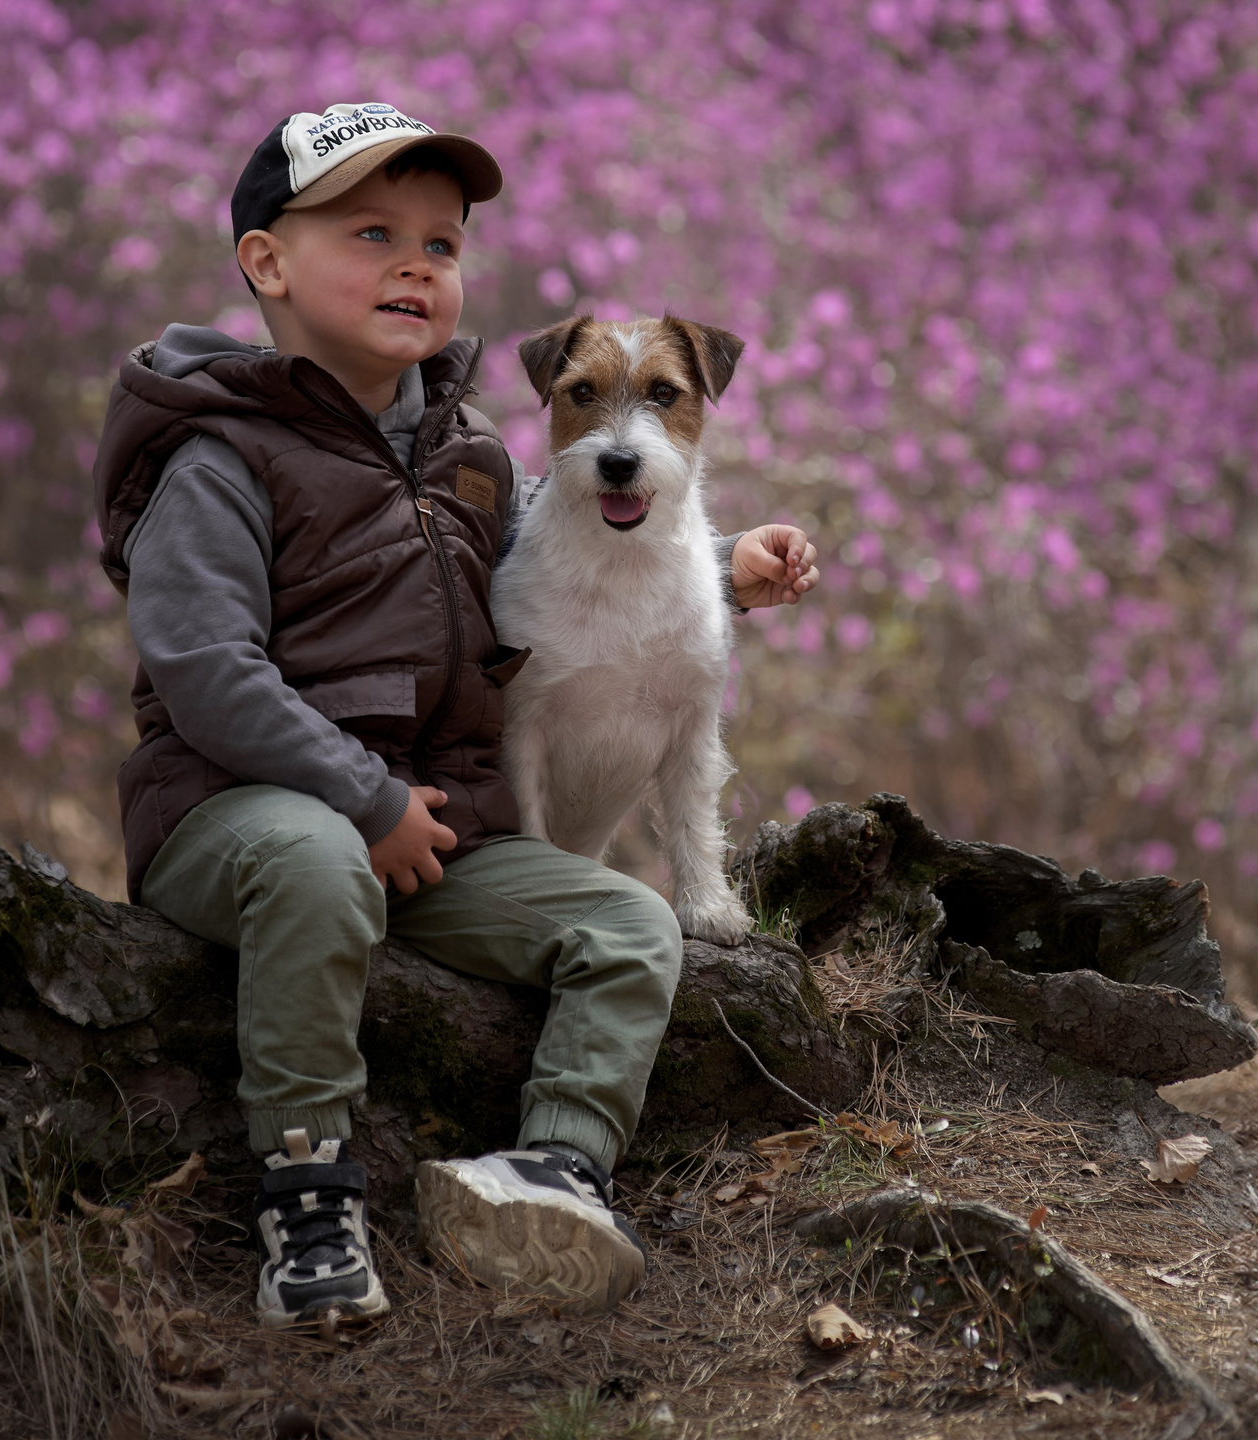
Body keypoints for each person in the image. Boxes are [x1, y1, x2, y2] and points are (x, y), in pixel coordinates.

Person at [88, 103, 819, 1328]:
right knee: (316, 861)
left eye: (441, 242)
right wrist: (362, 797)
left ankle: (553, 1170)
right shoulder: (218, 458)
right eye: (372, 234)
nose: (416, 265)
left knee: (631, 922)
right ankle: (309, 1196)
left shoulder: (463, 447)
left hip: (424, 830)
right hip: (239, 814)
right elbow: (205, 670)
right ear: (266, 262)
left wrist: (724, 565)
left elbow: (569, 560)